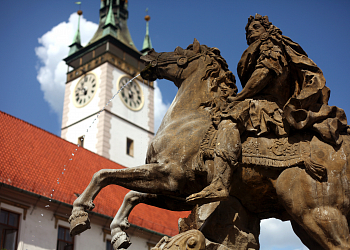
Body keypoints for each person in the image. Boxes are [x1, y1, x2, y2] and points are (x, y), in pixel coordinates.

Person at [187, 14, 348, 204]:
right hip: (261, 101)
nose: (249, 32)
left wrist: (240, 96)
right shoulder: (263, 47)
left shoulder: (271, 46)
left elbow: (262, 76)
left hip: (266, 105)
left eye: (255, 28)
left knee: (229, 119)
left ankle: (220, 183)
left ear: (266, 30)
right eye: (248, 30)